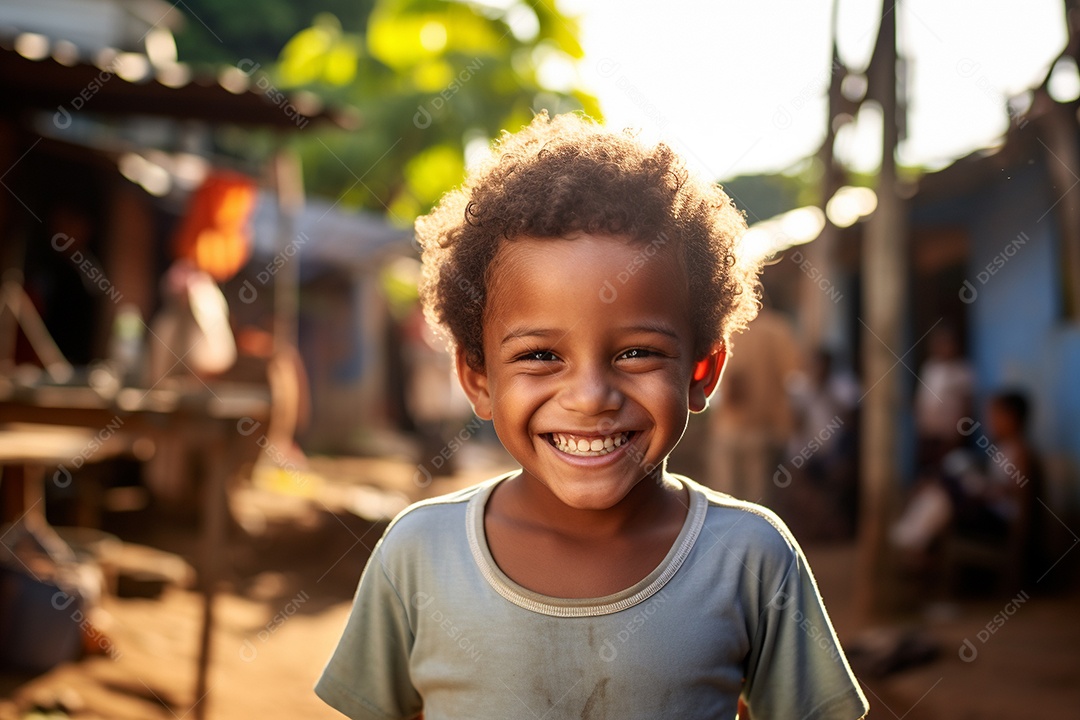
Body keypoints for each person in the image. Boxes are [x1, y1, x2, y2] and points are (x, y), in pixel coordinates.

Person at [316, 113, 868, 720]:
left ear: (701, 373)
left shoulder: (751, 559)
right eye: (541, 356)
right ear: (477, 379)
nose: (590, 396)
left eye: (637, 353)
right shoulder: (419, 554)